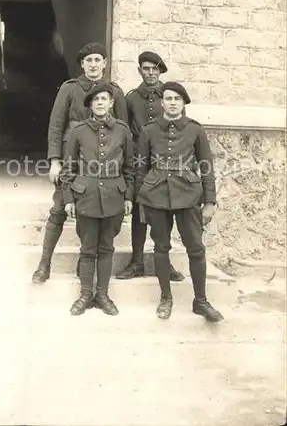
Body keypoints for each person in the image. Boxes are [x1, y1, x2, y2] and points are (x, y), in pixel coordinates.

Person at [32, 42, 128, 284]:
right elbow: (56, 125)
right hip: (70, 159)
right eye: (88, 61)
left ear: (105, 63)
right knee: (59, 209)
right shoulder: (69, 89)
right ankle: (45, 263)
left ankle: (83, 262)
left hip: (101, 166)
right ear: (82, 65)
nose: (93, 65)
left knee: (94, 215)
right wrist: (55, 161)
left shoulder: (115, 92)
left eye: (98, 60)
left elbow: (124, 134)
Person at [135, 81, 224, 322]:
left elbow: (207, 167)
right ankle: (166, 297)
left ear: (183, 103)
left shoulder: (195, 130)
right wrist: (140, 198)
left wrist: (209, 201)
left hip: (188, 195)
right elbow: (141, 167)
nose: (173, 103)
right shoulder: (149, 130)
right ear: (161, 102)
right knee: (161, 248)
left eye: (177, 99)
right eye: (169, 98)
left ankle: (201, 301)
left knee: (196, 248)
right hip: (156, 195)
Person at [59, 82, 134, 315]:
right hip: (86, 196)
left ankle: (102, 295)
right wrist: (69, 198)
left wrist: (128, 197)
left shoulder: (123, 130)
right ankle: (84, 295)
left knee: (107, 247)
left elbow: (130, 167)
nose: (100, 103)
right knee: (88, 248)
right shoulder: (78, 131)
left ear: (111, 103)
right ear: (90, 105)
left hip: (114, 196)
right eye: (96, 100)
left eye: (104, 99)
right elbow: (69, 168)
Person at [115, 51, 184, 281]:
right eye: (146, 68)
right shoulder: (131, 98)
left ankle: (164, 261)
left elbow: (181, 129)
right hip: (140, 162)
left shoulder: (171, 96)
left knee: (165, 211)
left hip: (165, 162)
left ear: (160, 70)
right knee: (138, 211)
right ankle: (136, 262)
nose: (151, 72)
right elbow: (124, 131)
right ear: (139, 71)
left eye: (155, 68)